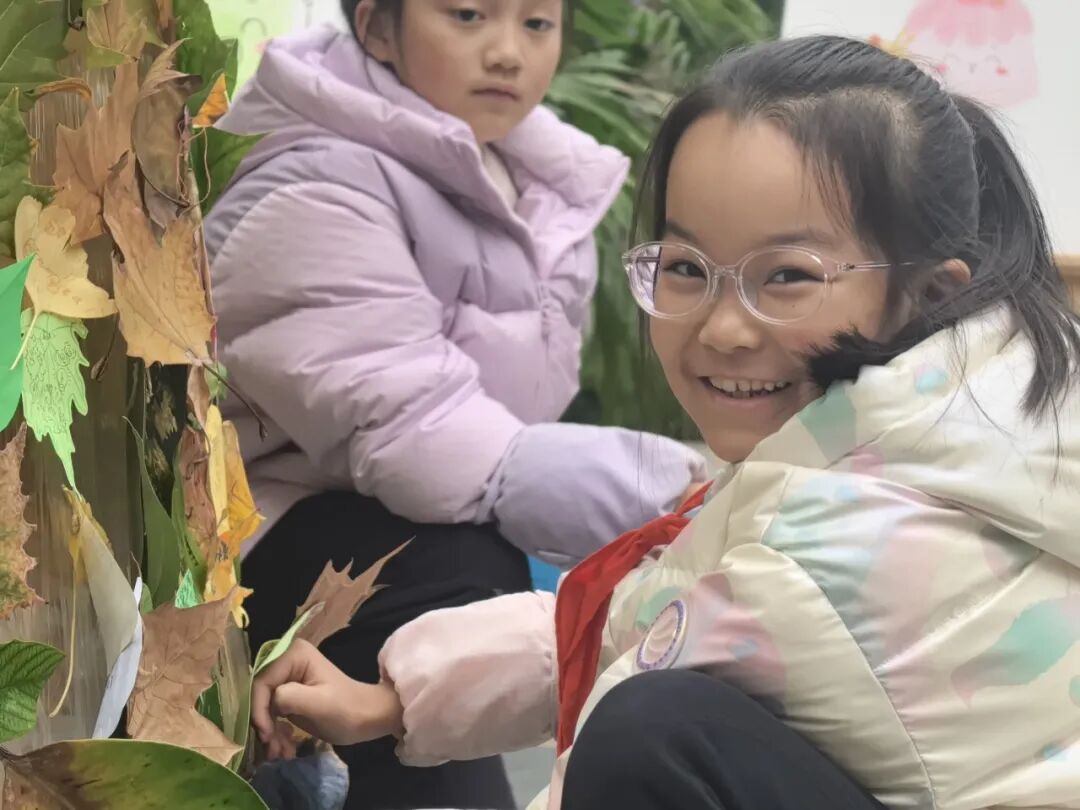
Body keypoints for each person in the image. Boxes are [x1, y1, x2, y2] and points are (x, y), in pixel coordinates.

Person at [250, 34, 1080, 810]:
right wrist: (393, 697)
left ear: (928, 292)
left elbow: (627, 683)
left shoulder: (845, 534)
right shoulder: (943, 422)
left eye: (787, 276)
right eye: (686, 267)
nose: (722, 327)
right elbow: (641, 607)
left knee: (646, 734)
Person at [204, 0, 705, 807]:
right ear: (378, 27)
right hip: (271, 539)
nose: (508, 52)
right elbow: (409, 424)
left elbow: (504, 424)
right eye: (469, 15)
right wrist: (680, 494)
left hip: (429, 520)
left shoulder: (533, 183)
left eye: (537, 23)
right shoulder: (313, 179)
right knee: (459, 574)